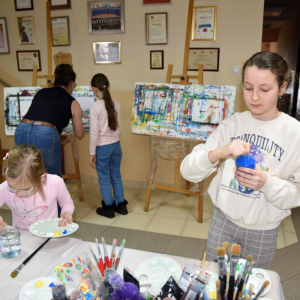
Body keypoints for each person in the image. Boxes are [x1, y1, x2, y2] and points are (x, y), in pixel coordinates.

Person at [180, 51, 300, 269]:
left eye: (264, 89)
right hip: (223, 221)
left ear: (282, 88)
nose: (254, 97)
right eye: (248, 88)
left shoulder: (295, 134)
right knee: (217, 282)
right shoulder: (232, 124)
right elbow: (188, 172)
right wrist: (218, 153)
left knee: (249, 286)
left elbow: (296, 194)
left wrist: (266, 183)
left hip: (263, 230)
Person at [14, 64, 84, 178]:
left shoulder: (41, 92)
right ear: (71, 84)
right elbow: (79, 133)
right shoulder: (73, 102)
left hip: (21, 130)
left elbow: (37, 119)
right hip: (45, 134)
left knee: (25, 176)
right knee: (52, 179)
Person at [0, 145, 74, 231]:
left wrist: (66, 213)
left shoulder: (55, 183)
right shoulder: (5, 188)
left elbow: (67, 204)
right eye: (12, 188)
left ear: (41, 179)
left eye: (26, 189)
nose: (19, 194)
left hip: (50, 235)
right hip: (22, 237)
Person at [89, 73, 128, 219]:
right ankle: (121, 206)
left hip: (102, 147)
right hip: (116, 145)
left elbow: (94, 133)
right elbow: (119, 127)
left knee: (104, 178)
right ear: (108, 86)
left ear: (94, 89)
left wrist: (92, 152)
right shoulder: (116, 103)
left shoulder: (95, 107)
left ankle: (109, 208)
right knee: (116, 176)